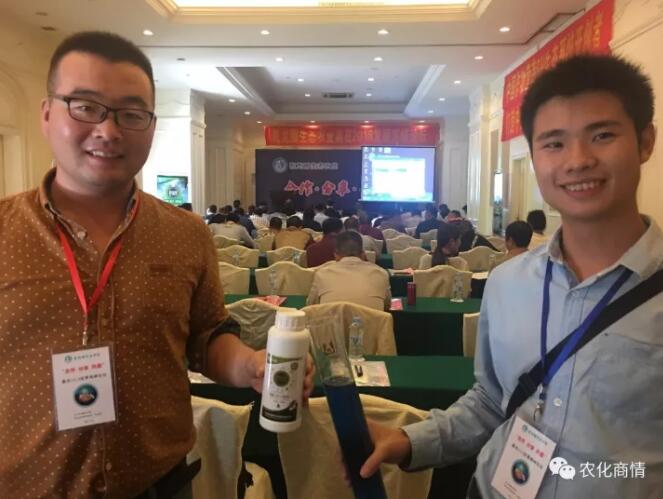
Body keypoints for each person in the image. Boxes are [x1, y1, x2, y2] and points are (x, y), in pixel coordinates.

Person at [0, 31, 314, 498]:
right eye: (85, 107)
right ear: (47, 113)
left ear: (150, 124)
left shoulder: (185, 233)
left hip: (159, 485)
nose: (108, 130)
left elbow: (207, 336)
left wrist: (249, 364)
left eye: (131, 114)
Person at [358, 54, 662, 498]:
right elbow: (490, 400)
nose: (578, 160)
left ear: (645, 142)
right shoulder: (507, 282)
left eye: (602, 135)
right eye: (554, 144)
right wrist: (409, 441)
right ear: (535, 157)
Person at [306, 231, 391, 311]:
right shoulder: (381, 273)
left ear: (336, 254)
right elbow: (387, 306)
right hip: (371, 322)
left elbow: (311, 306)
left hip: (332, 322)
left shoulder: (322, 274)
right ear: (363, 254)